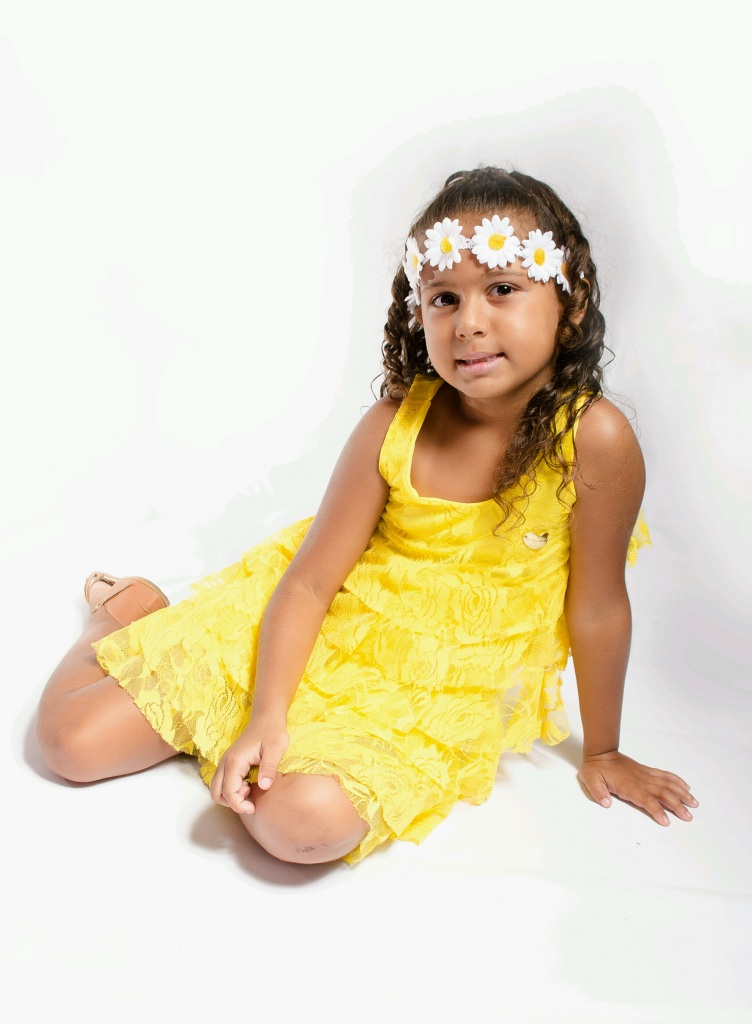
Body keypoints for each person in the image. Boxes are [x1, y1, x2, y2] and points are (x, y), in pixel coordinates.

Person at [36, 166, 698, 867]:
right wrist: (266, 715)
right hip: (315, 625)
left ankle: (233, 730)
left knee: (303, 825)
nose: (470, 322)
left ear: (567, 300)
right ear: (419, 312)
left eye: (503, 288)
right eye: (444, 298)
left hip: (424, 685)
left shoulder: (594, 439)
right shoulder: (392, 425)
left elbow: (597, 606)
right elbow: (309, 584)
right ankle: (125, 618)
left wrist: (604, 750)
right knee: (70, 744)